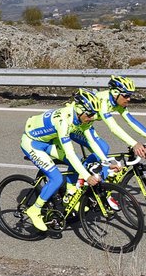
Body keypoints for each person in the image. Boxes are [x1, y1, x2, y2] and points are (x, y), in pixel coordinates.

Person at [16, 89, 105, 232]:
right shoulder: (63, 120)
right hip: (32, 143)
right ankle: (35, 210)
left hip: (49, 141)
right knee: (56, 178)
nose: (92, 118)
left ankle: (70, 195)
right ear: (79, 110)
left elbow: (93, 142)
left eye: (94, 114)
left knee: (78, 164)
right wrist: (87, 176)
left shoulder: (83, 116)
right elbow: (69, 153)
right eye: (90, 114)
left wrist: (107, 161)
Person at [91, 75, 146, 161]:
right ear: (115, 93)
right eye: (126, 95)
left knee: (99, 155)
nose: (129, 99)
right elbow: (113, 127)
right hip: (76, 126)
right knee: (102, 149)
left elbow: (131, 121)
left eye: (130, 95)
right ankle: (83, 174)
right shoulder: (103, 101)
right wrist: (134, 144)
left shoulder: (117, 102)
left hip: (86, 125)